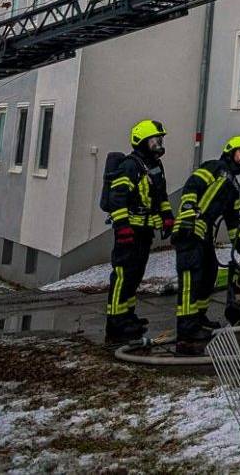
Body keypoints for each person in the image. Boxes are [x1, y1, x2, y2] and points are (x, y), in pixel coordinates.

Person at [172, 135, 240, 356]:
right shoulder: (214, 167)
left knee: (209, 273)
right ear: (230, 151)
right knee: (191, 279)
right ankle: (186, 331)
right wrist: (188, 211)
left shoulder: (233, 186)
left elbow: (233, 222)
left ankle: (198, 319)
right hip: (190, 228)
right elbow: (192, 186)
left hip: (204, 232)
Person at [104, 119, 175, 344]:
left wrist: (167, 217)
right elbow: (117, 199)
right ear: (142, 141)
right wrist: (123, 228)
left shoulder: (155, 165)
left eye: (160, 140)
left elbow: (161, 195)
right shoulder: (130, 166)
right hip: (129, 231)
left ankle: (128, 316)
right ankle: (115, 322)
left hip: (145, 231)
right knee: (123, 275)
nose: (159, 144)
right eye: (155, 140)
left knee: (135, 275)